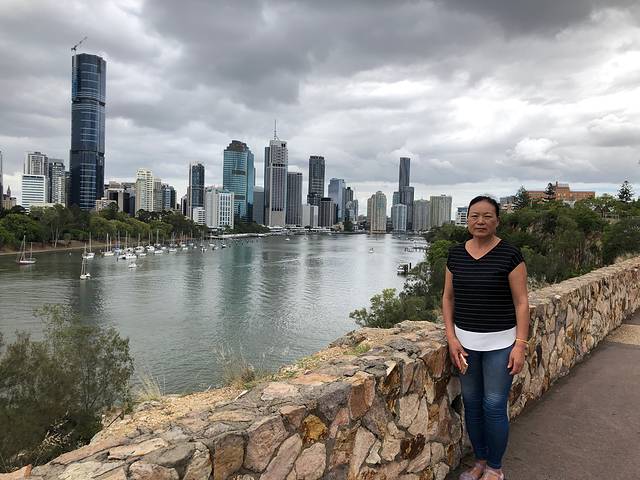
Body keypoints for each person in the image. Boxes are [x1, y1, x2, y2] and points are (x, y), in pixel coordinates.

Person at [442, 195, 529, 480]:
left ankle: (494, 467)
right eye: (474, 216)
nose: (480, 221)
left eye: (487, 216)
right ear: (467, 220)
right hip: (465, 345)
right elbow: (448, 298)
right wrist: (451, 338)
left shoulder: (510, 255)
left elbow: (521, 302)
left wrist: (520, 345)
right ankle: (479, 461)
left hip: (501, 344)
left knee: (493, 405)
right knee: (471, 404)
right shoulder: (455, 254)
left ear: (497, 221)